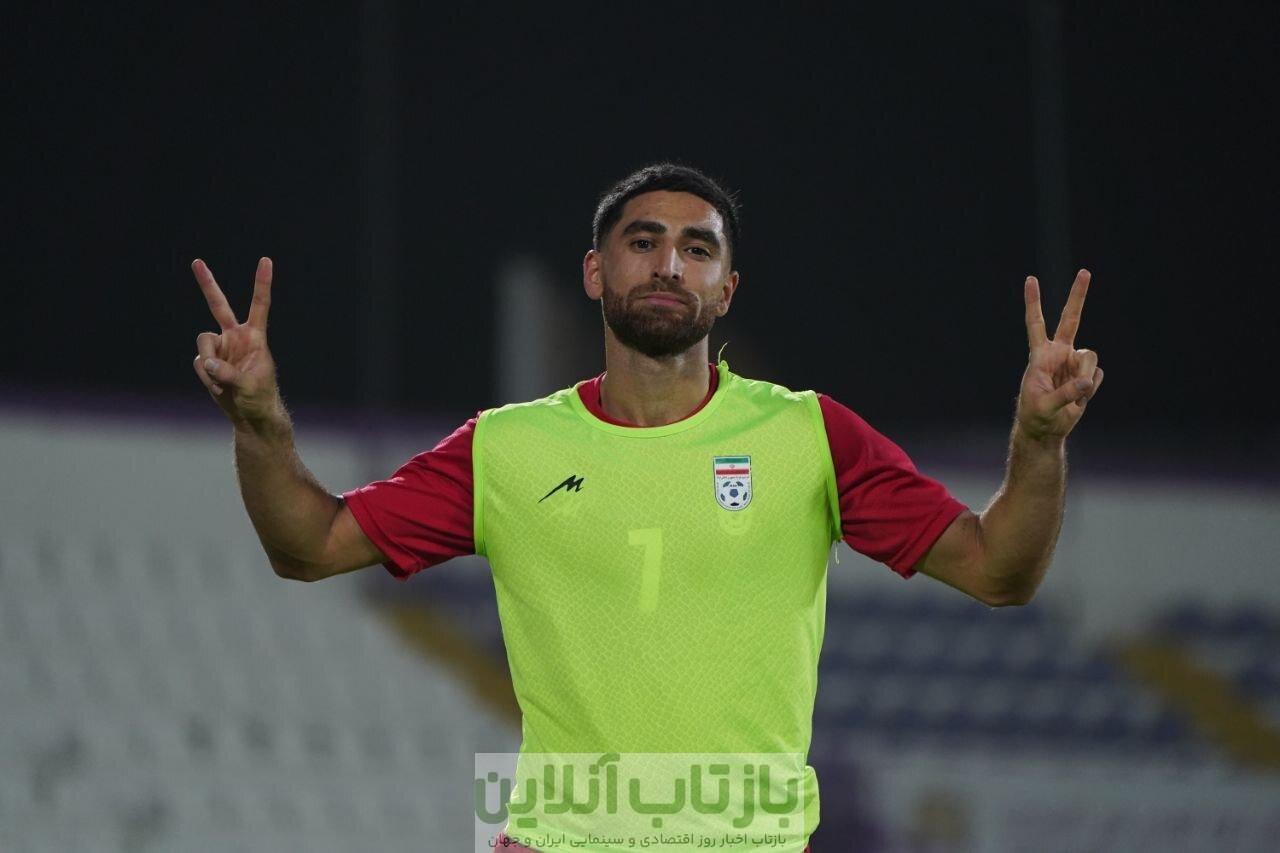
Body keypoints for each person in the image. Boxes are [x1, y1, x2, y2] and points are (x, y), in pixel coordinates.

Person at [190, 163, 1103, 853]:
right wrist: (260, 421)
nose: (670, 263)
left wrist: (1037, 441)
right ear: (595, 271)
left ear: (726, 289)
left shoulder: (810, 435)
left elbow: (999, 570)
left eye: (698, 248)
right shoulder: (507, 448)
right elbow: (309, 545)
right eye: (644, 241)